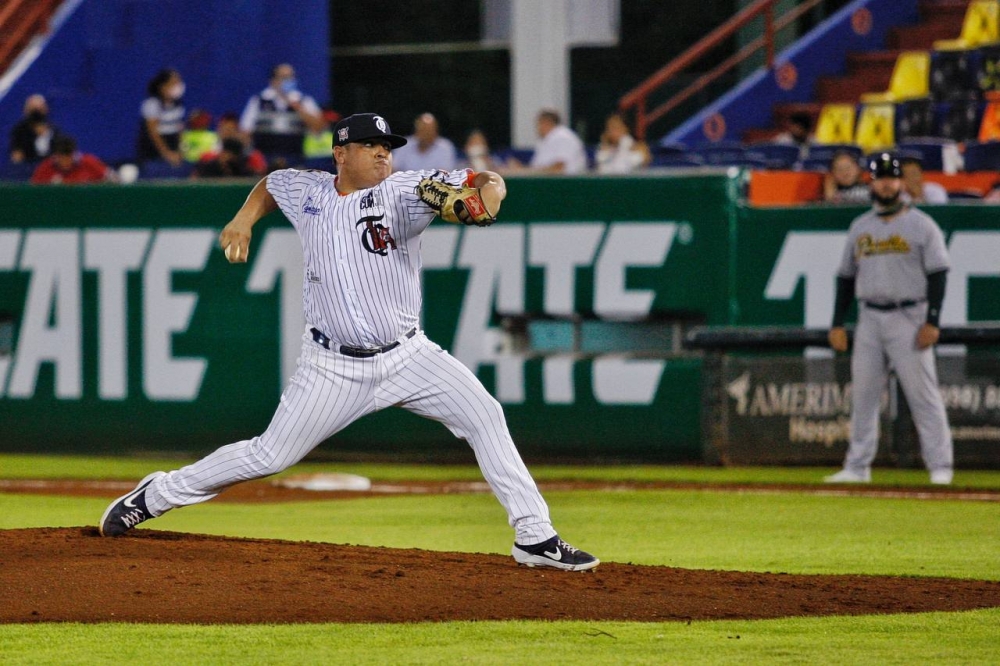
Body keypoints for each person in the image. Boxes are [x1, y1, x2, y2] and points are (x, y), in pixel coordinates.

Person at [98, 112, 599, 572]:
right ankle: (158, 493)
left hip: (409, 355)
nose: (384, 153)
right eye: (370, 145)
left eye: (387, 146)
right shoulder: (307, 189)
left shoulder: (406, 190)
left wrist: (491, 185)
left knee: (485, 415)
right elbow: (271, 185)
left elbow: (483, 194)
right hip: (332, 367)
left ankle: (534, 535)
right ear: (341, 153)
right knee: (269, 456)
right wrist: (243, 218)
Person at [826, 152, 953, 486]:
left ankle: (940, 466)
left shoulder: (921, 224)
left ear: (899, 182)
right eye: (880, 177)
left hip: (910, 316)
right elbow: (845, 278)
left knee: (923, 396)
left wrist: (933, 320)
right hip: (869, 317)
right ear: (871, 182)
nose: (886, 183)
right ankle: (857, 466)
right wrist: (838, 322)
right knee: (864, 396)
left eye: (891, 178)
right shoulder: (861, 226)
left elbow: (939, 273)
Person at [239, 63, 326, 159]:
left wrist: (298, 108)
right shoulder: (259, 101)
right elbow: (245, 131)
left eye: (291, 77)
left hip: (295, 159)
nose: (288, 81)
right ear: (273, 80)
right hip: (265, 159)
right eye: (284, 77)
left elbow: (319, 128)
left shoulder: (304, 101)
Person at [507, 109, 588, 174]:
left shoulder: (563, 137)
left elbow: (558, 168)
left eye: (538, 124)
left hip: (565, 186)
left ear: (546, 122)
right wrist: (521, 169)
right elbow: (540, 166)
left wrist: (523, 171)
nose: (537, 128)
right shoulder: (547, 139)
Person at [136, 68, 186, 166]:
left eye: (179, 82)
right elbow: (153, 133)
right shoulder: (152, 104)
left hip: (173, 149)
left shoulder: (178, 104)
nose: (178, 86)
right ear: (162, 87)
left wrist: (180, 151)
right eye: (174, 83)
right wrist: (167, 154)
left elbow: (180, 129)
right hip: (153, 153)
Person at [198, 112, 268, 176]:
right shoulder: (208, 156)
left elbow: (261, 177)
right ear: (219, 130)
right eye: (225, 129)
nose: (228, 133)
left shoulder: (253, 156)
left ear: (237, 131)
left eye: (231, 130)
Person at [31, 135, 114, 184]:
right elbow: (33, 190)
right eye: (62, 159)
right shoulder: (45, 167)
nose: (66, 163)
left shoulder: (89, 162)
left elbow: (113, 179)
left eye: (69, 158)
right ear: (56, 156)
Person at [391, 112, 457, 172]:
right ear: (416, 130)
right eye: (423, 130)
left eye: (429, 131)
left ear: (436, 131)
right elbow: (393, 169)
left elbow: (445, 173)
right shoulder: (404, 144)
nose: (426, 134)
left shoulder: (445, 147)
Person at [8, 94, 63, 164]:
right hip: (28, 169)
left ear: (45, 109)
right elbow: (16, 157)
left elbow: (60, 154)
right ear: (26, 110)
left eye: (39, 109)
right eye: (33, 110)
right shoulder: (19, 131)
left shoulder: (54, 130)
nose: (36, 114)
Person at [192, 138, 256, 179]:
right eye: (223, 152)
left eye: (228, 154)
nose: (223, 155)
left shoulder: (242, 170)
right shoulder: (208, 167)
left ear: (235, 157)